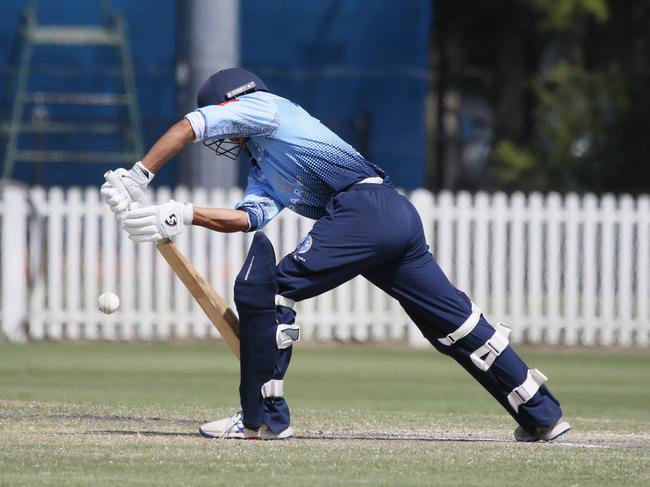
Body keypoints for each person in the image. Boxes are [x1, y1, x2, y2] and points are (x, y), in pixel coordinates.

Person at [101, 68, 571, 442]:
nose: (225, 135)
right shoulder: (266, 161)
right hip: (391, 214)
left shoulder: (263, 108)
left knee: (270, 291)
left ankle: (262, 419)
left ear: (232, 103)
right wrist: (181, 214)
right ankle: (542, 414)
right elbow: (249, 218)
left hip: (362, 210)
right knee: (454, 323)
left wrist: (139, 174)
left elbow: (190, 127)